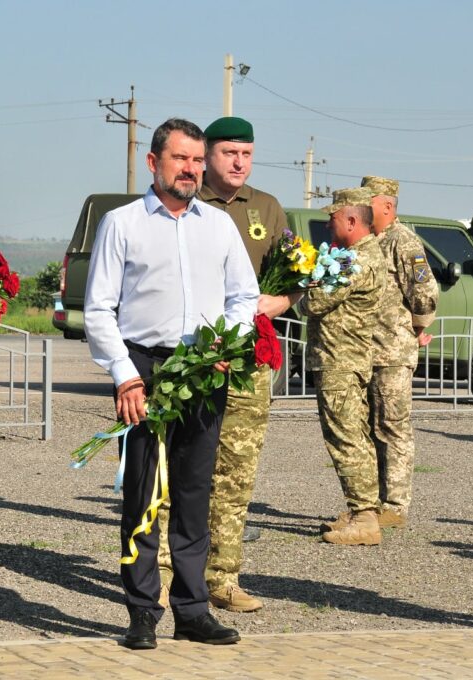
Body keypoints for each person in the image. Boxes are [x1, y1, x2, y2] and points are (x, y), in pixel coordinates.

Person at [84, 118, 258, 650]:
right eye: (181, 158)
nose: (191, 168)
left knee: (192, 492)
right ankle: (141, 610)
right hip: (145, 369)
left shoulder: (218, 225)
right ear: (153, 162)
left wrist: (227, 344)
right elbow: (98, 309)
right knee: (142, 491)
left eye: (197, 159)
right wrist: (125, 376)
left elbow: (243, 297)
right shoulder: (122, 223)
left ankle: (191, 608)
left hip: (205, 367)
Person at [156, 116, 295, 614]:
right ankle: (165, 575)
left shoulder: (267, 208)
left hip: (246, 359)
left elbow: (296, 272)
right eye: (228, 153)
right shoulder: (185, 203)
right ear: (206, 155)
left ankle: (223, 577)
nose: (239, 163)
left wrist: (278, 302)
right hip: (191, 359)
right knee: (175, 470)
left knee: (235, 471)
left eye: (247, 154)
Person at [325, 176, 438, 533]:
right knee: (364, 427)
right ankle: (368, 506)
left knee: (391, 426)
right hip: (362, 348)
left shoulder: (403, 241)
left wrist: (417, 327)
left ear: (387, 206)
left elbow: (424, 290)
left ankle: (395, 504)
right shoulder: (364, 243)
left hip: (392, 349)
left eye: (367, 202)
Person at [302, 187, 385, 546]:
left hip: (340, 360)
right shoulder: (359, 255)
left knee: (346, 437)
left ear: (351, 220)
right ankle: (361, 510)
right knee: (354, 435)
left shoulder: (355, 260)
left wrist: (307, 284)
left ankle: (365, 518)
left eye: (332, 218)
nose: (327, 224)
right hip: (345, 359)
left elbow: (316, 301)